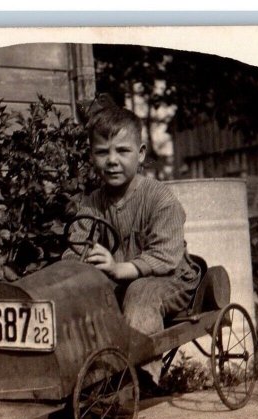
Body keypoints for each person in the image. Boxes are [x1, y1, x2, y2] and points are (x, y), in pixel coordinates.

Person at [63, 100, 200, 387]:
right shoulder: (92, 203)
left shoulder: (159, 199)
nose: (112, 160)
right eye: (102, 152)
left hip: (171, 278)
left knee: (139, 294)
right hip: (121, 278)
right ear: (92, 156)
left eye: (122, 151)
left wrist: (119, 269)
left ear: (140, 154)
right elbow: (75, 247)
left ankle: (139, 377)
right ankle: (82, 381)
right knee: (82, 298)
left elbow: (165, 257)